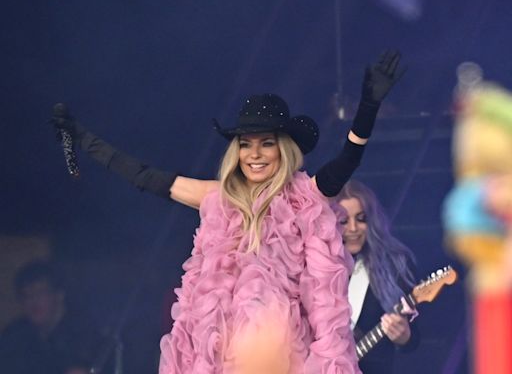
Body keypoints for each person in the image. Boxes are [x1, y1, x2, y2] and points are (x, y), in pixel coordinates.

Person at [50, 51, 405, 373]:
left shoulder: (304, 197)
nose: (255, 154)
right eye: (246, 145)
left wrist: (368, 108)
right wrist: (81, 138)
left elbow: (345, 163)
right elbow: (145, 177)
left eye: (266, 144)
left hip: (278, 350)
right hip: (219, 350)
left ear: (283, 150)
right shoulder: (218, 196)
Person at [334, 180, 420, 374]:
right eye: (343, 221)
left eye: (361, 218)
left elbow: (415, 338)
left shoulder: (395, 265)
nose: (353, 228)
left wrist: (404, 337)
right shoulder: (313, 268)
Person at [0, 260, 101, 374]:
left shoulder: (83, 331)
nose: (33, 301)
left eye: (40, 293)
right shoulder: (15, 335)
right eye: (26, 296)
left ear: (59, 295)